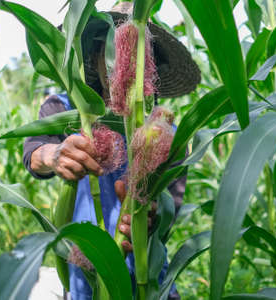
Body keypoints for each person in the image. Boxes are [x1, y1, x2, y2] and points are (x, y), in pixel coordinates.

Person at [23, 3, 200, 300]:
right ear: (93, 58)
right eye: (111, 51)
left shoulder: (165, 132)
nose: (122, 66)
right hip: (84, 277)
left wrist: (148, 216)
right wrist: (55, 156)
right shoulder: (66, 109)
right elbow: (34, 153)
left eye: (133, 54)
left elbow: (169, 208)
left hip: (147, 277)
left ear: (150, 64)